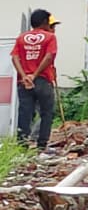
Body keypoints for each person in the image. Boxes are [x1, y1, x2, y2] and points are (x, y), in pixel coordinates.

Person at [10, 9, 59, 152]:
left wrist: (25, 75)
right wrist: (35, 75)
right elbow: (49, 56)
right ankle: (41, 145)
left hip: (24, 82)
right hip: (42, 80)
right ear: (45, 22)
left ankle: (22, 145)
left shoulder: (21, 38)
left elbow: (14, 57)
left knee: (25, 112)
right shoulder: (50, 37)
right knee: (46, 112)